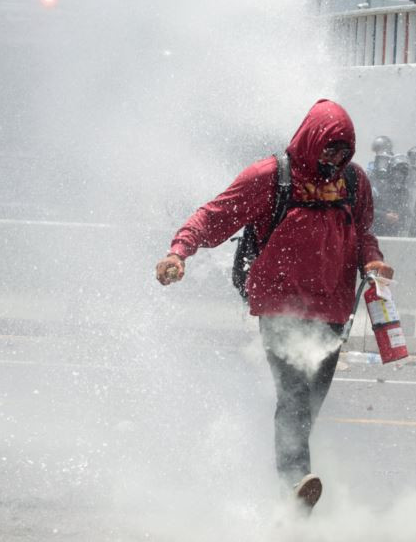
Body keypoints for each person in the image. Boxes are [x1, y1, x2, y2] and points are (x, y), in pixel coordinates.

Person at [154, 99, 394, 513]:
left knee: (309, 401)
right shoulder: (271, 177)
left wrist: (371, 259)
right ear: (311, 141)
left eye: (342, 152)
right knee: (294, 394)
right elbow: (214, 215)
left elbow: (364, 231)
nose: (334, 160)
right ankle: (295, 484)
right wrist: (179, 252)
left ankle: (294, 478)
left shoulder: (353, 182)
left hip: (336, 310)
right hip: (280, 305)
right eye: (328, 150)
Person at [371, 153, 411, 237]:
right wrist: (384, 216)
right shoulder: (378, 188)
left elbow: (407, 213)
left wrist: (399, 216)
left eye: (403, 173)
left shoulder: (405, 192)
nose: (399, 176)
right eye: (397, 172)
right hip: (376, 233)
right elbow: (367, 210)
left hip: (395, 235)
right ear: (391, 171)